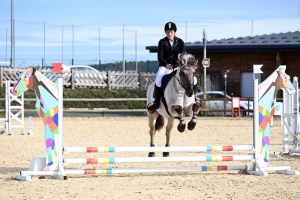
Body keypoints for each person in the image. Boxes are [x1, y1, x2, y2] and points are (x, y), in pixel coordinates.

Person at [147, 22, 186, 114]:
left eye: (171, 32)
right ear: (166, 33)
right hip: (165, 66)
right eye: (168, 32)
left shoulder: (180, 42)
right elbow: (159, 57)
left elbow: (183, 54)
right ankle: (156, 102)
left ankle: (193, 99)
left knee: (187, 79)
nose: (170, 34)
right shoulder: (162, 42)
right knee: (158, 81)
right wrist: (166, 64)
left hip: (177, 66)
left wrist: (179, 63)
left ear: (174, 32)